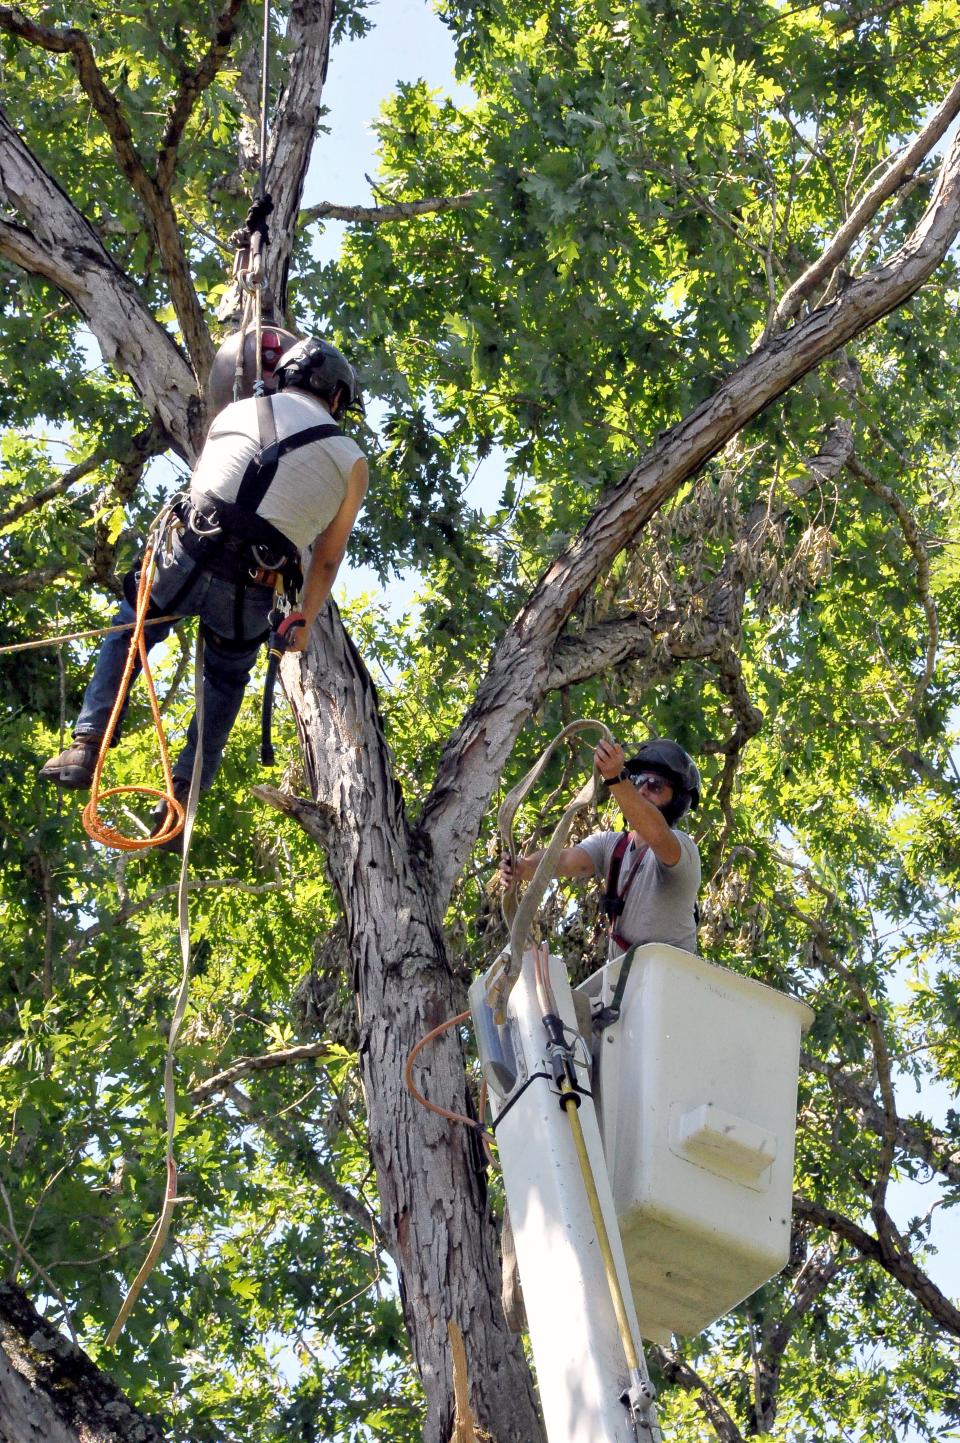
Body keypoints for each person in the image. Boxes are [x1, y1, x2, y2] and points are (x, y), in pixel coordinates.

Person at [39, 336, 369, 843]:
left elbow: (218, 471)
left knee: (131, 633)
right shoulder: (351, 462)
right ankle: (183, 796)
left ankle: (87, 745)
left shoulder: (238, 411)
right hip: (251, 588)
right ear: (338, 399)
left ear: (288, 375)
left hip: (187, 554)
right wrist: (302, 619)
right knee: (223, 686)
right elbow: (326, 557)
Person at [500, 737, 701, 954]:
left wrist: (615, 777)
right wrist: (523, 867)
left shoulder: (682, 850)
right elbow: (562, 860)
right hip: (626, 979)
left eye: (654, 785)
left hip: (669, 979)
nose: (642, 790)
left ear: (677, 800)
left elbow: (657, 833)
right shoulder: (612, 845)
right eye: (638, 780)